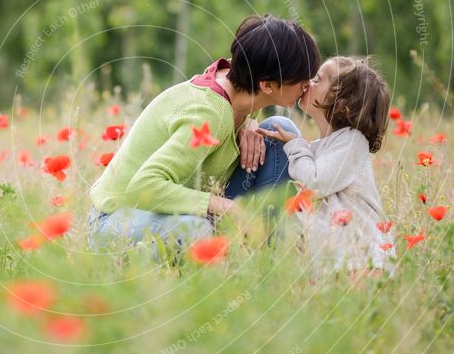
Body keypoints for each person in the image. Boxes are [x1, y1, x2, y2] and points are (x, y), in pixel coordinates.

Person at [87, 15, 321, 251]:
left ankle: (268, 252)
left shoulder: (236, 79)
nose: (307, 85)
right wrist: (227, 207)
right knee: (196, 230)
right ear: (267, 85)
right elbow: (143, 187)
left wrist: (249, 120)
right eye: (301, 78)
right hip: (118, 220)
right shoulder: (210, 114)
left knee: (279, 131)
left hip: (177, 209)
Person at [263, 56, 396, 276]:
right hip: (332, 263)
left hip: (364, 261)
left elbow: (314, 182)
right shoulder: (321, 147)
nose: (308, 82)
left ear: (342, 102)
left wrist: (295, 146)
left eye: (317, 79)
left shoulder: (353, 141)